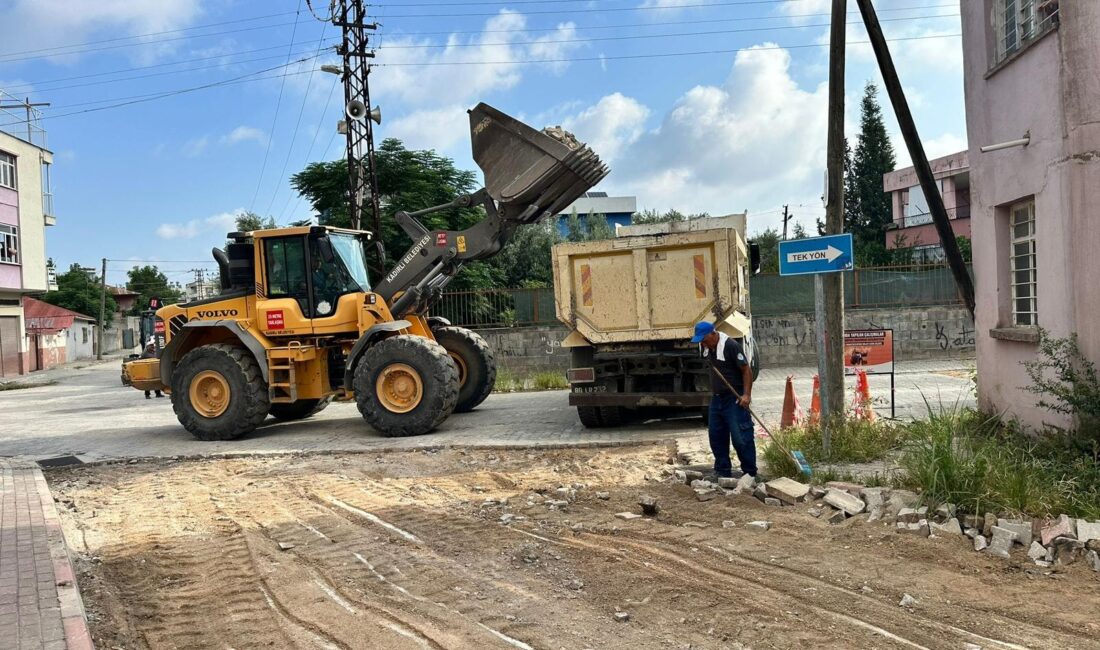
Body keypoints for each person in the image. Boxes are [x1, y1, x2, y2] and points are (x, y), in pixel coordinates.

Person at [692, 321, 756, 479]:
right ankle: (722, 471)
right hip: (717, 398)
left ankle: (750, 473)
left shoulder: (731, 346)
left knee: (740, 437)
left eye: (704, 339)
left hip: (734, 398)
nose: (702, 343)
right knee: (716, 435)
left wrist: (746, 395)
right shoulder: (707, 347)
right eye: (700, 340)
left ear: (713, 334)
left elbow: (746, 370)